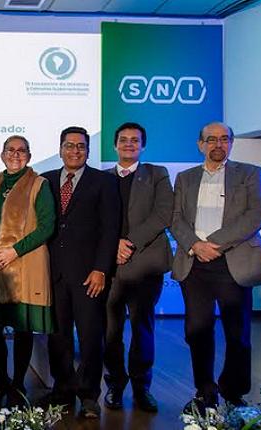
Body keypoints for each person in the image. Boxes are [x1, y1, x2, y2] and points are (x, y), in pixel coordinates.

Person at [171, 122, 261, 413]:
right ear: (200, 144)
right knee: (196, 330)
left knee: (237, 334)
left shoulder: (250, 173)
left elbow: (257, 215)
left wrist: (214, 244)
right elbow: (175, 218)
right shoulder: (186, 178)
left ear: (231, 143)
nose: (218, 144)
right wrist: (196, 245)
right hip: (195, 263)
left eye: (224, 139)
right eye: (212, 139)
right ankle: (205, 391)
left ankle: (233, 390)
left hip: (233, 261)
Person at [40, 126, 120, 418]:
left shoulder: (104, 182)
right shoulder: (45, 180)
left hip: (89, 275)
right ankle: (62, 389)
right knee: (57, 336)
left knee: (90, 336)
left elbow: (110, 229)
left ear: (88, 150)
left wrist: (101, 269)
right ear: (60, 149)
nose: (75, 151)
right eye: (69, 145)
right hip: (52, 273)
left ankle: (88, 396)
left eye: (81, 146)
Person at [0, 135, 55, 407]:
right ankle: (1, 382)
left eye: (22, 150)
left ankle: (18, 383)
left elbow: (47, 226)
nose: (16, 154)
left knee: (22, 327)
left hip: (25, 262)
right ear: (2, 154)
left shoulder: (39, 184)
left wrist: (13, 251)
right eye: (11, 150)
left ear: (29, 156)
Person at [102, 122, 173, 413]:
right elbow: (96, 220)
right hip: (110, 266)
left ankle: (142, 387)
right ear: (115, 145)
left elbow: (163, 214)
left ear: (142, 146)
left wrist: (128, 242)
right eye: (123, 140)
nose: (129, 144)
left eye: (135, 140)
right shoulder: (103, 178)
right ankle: (115, 385)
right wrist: (113, 246)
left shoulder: (157, 174)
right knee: (110, 331)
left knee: (142, 328)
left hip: (145, 264)